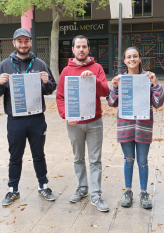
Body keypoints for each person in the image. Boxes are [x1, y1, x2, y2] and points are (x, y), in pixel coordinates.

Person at [0, 28, 57, 206]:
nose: (23, 44)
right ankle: (13, 189)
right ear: (14, 43)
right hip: (15, 119)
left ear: (30, 43)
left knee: (38, 154)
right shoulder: (5, 64)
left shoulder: (40, 64)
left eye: (26, 41)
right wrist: (0, 83)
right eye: (19, 41)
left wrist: (46, 82)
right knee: (15, 156)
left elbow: (51, 89)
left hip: (36, 119)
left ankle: (43, 185)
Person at [56, 35, 110, 212]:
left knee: (95, 160)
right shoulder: (66, 71)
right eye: (78, 47)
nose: (81, 50)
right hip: (74, 123)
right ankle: (82, 188)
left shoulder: (97, 68)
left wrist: (93, 80)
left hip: (95, 121)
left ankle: (96, 194)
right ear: (72, 50)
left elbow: (105, 92)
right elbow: (60, 97)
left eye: (84, 47)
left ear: (88, 49)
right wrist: (66, 115)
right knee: (78, 158)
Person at [107, 47, 164, 209]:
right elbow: (111, 102)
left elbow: (158, 103)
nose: (132, 59)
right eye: (128, 57)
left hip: (143, 126)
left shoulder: (147, 78)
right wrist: (115, 87)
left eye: (135, 56)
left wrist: (155, 83)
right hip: (125, 125)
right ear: (124, 61)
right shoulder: (120, 79)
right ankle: (128, 191)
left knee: (142, 161)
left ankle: (144, 192)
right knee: (128, 160)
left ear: (140, 59)